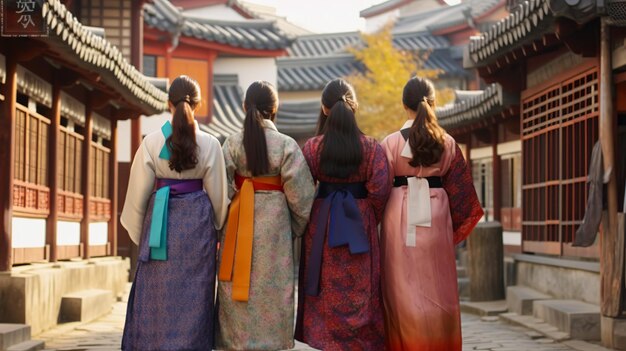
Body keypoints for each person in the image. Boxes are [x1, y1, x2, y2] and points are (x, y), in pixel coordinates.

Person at [120, 75, 229, 350]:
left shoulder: (152, 142)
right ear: (199, 104)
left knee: (158, 295)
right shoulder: (210, 143)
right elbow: (218, 198)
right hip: (197, 227)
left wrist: (140, 234)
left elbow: (137, 196)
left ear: (168, 103)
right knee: (196, 292)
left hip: (161, 222)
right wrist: (217, 226)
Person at [380, 76, 483, 351]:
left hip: (397, 216)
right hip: (436, 215)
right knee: (438, 285)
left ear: (404, 105)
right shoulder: (447, 143)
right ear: (433, 103)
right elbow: (461, 191)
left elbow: (377, 188)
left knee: (399, 289)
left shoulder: (389, 143)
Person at [216, 81, 315, 350]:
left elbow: (218, 189)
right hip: (275, 226)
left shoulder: (232, 144)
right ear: (275, 110)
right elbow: (302, 197)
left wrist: (222, 220)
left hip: (237, 220)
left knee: (237, 286)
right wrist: (294, 227)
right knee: (272, 288)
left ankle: (236, 341)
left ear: (245, 107)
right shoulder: (286, 145)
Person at [295, 78, 390, 350]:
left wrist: (307, 220)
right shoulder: (372, 148)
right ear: (354, 107)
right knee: (362, 286)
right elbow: (380, 191)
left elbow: (301, 191)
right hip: (359, 223)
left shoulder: (313, 148)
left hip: (322, 224)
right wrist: (368, 217)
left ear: (324, 109)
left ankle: (327, 341)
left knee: (325, 284)